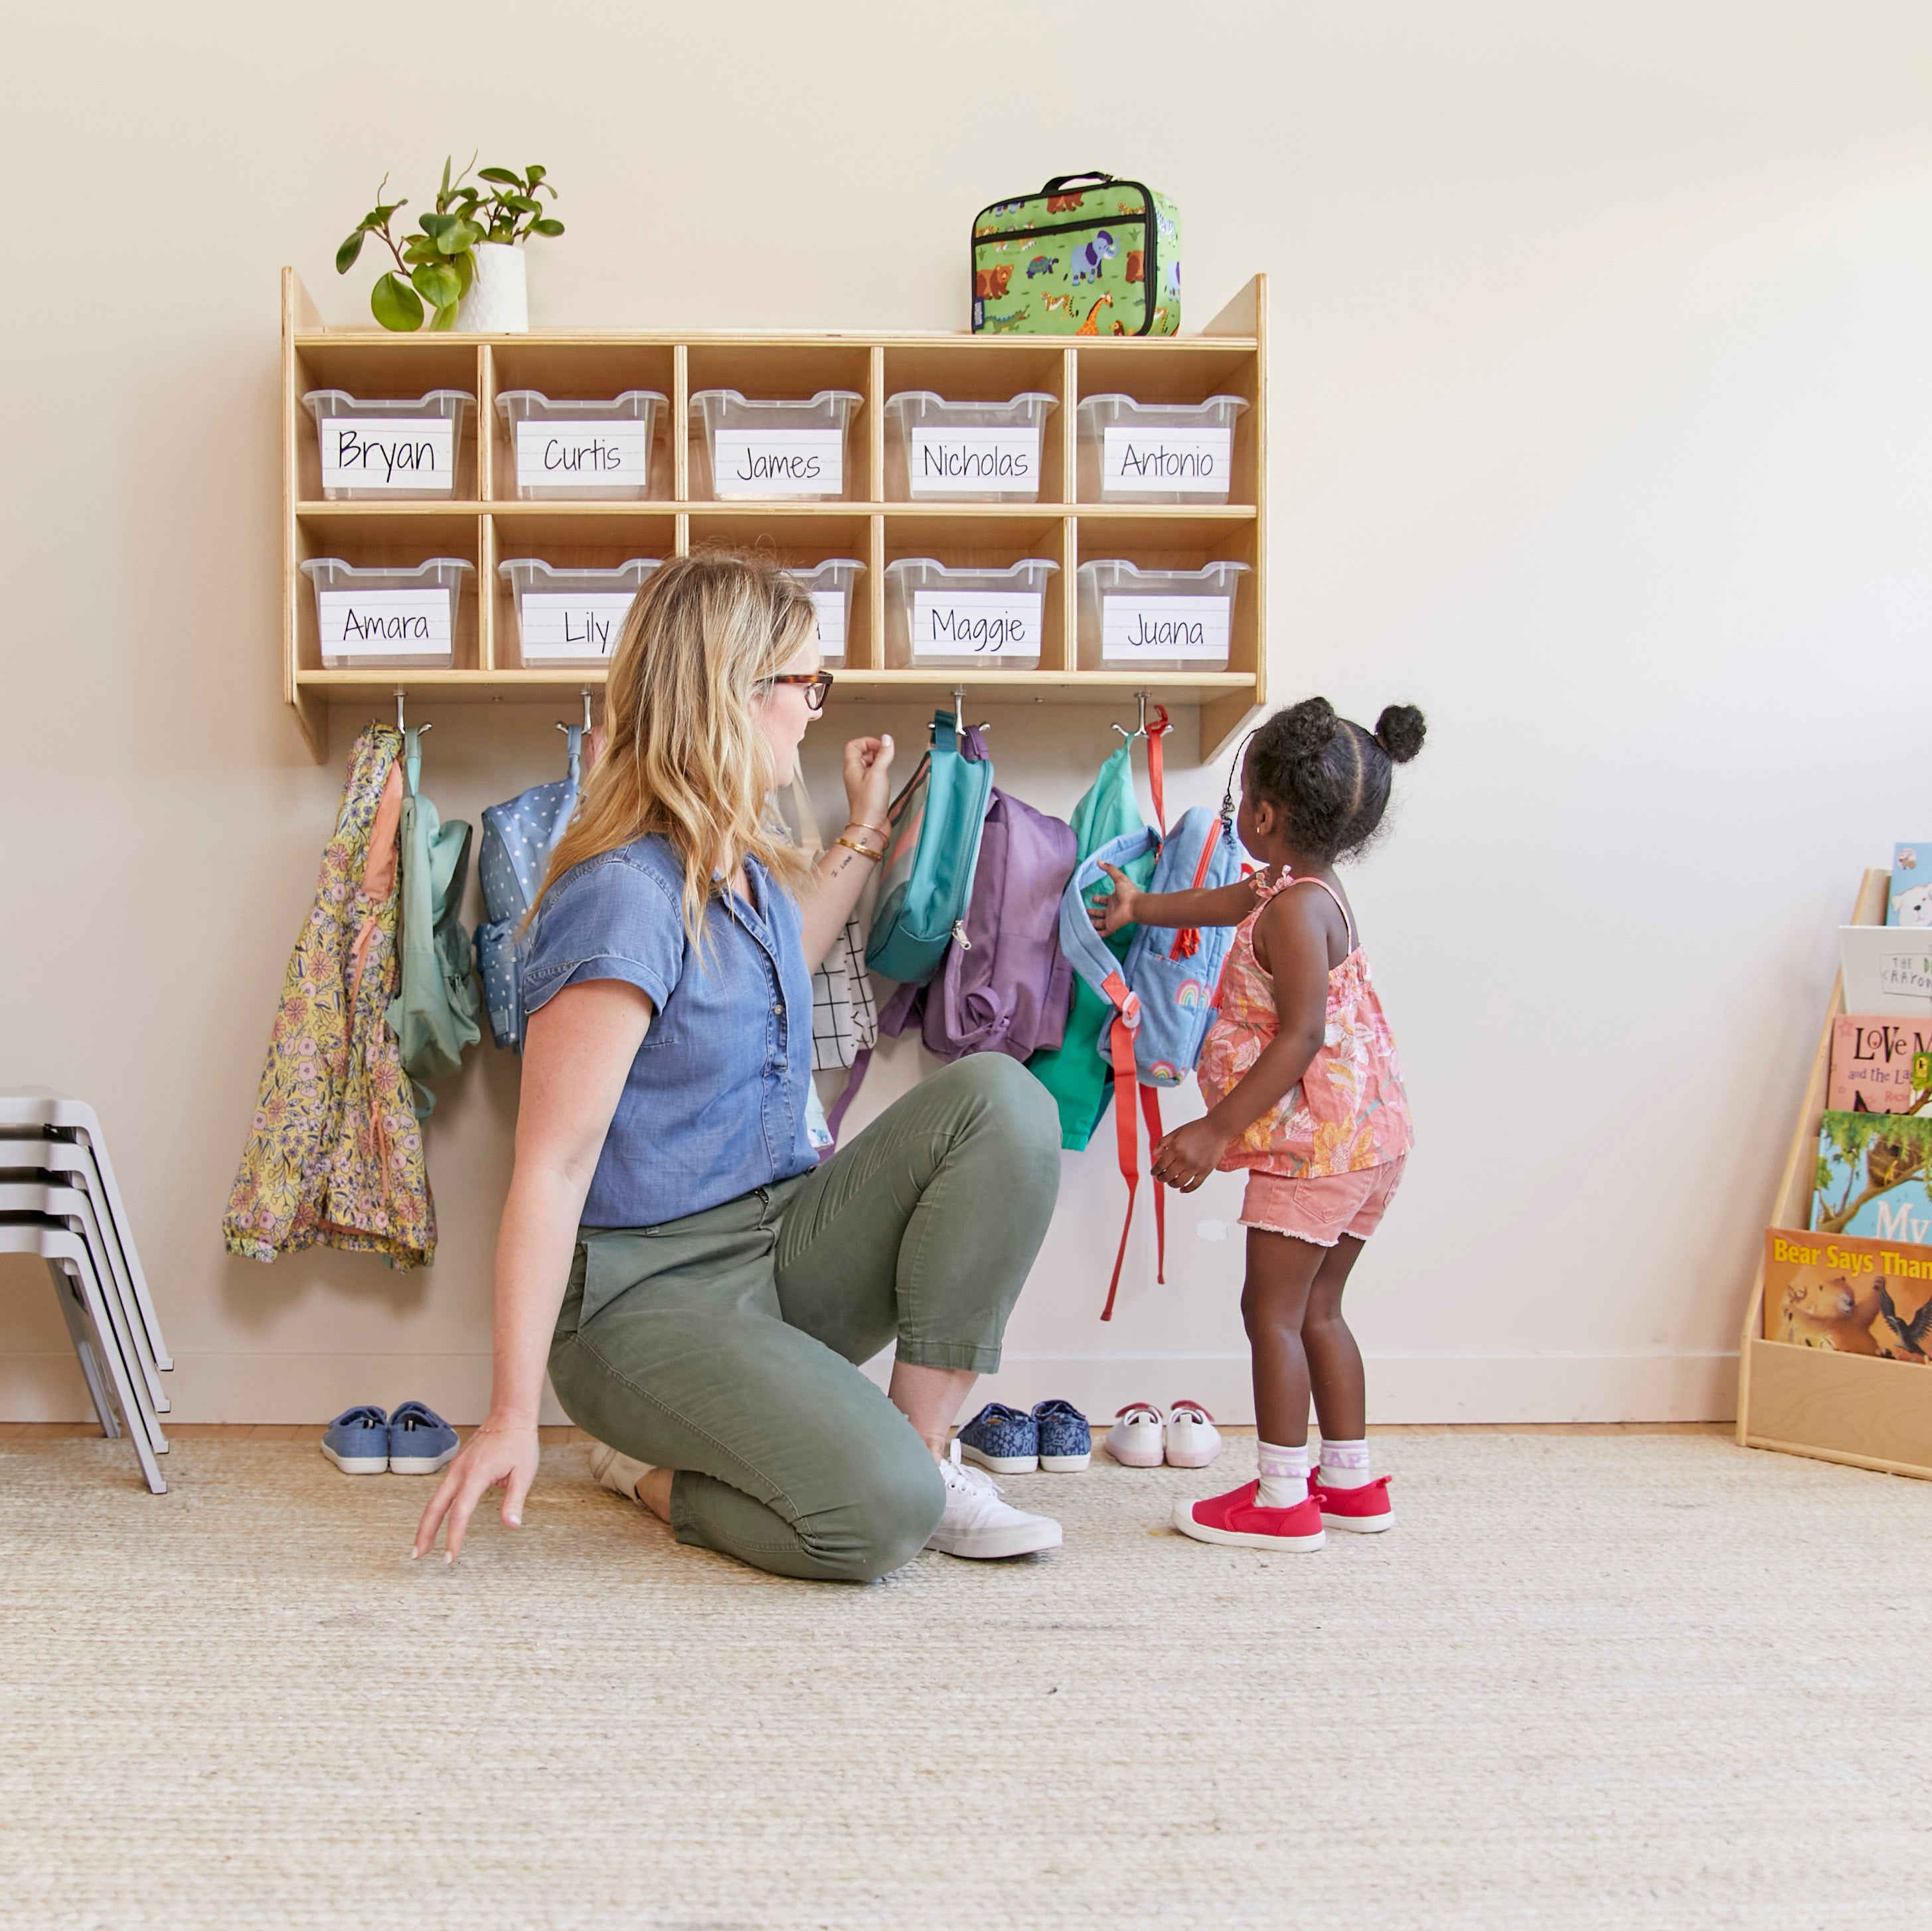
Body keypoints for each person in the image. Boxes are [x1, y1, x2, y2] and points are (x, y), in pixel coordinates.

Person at [414, 553, 1064, 1581]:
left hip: (779, 1239)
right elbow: (552, 1163)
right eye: (808, 682)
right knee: (872, 1520)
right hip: (644, 1298)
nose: (815, 708)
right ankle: (645, 1471)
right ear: (732, 692)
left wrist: (864, 827)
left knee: (1003, 1102)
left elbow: (776, 963)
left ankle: (924, 1454)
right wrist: (508, 1412)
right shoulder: (620, 892)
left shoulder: (740, 866)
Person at [1088, 696, 1424, 1551]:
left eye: (1242, 801)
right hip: (1369, 1142)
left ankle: (1280, 1498)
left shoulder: (1296, 911)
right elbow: (1226, 900)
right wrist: (1140, 909)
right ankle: (1349, 1482)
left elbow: (1301, 1036)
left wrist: (1213, 1130)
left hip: (1318, 1153)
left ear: (1267, 816)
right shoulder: (1299, 886)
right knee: (1320, 1311)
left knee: (1270, 1313)